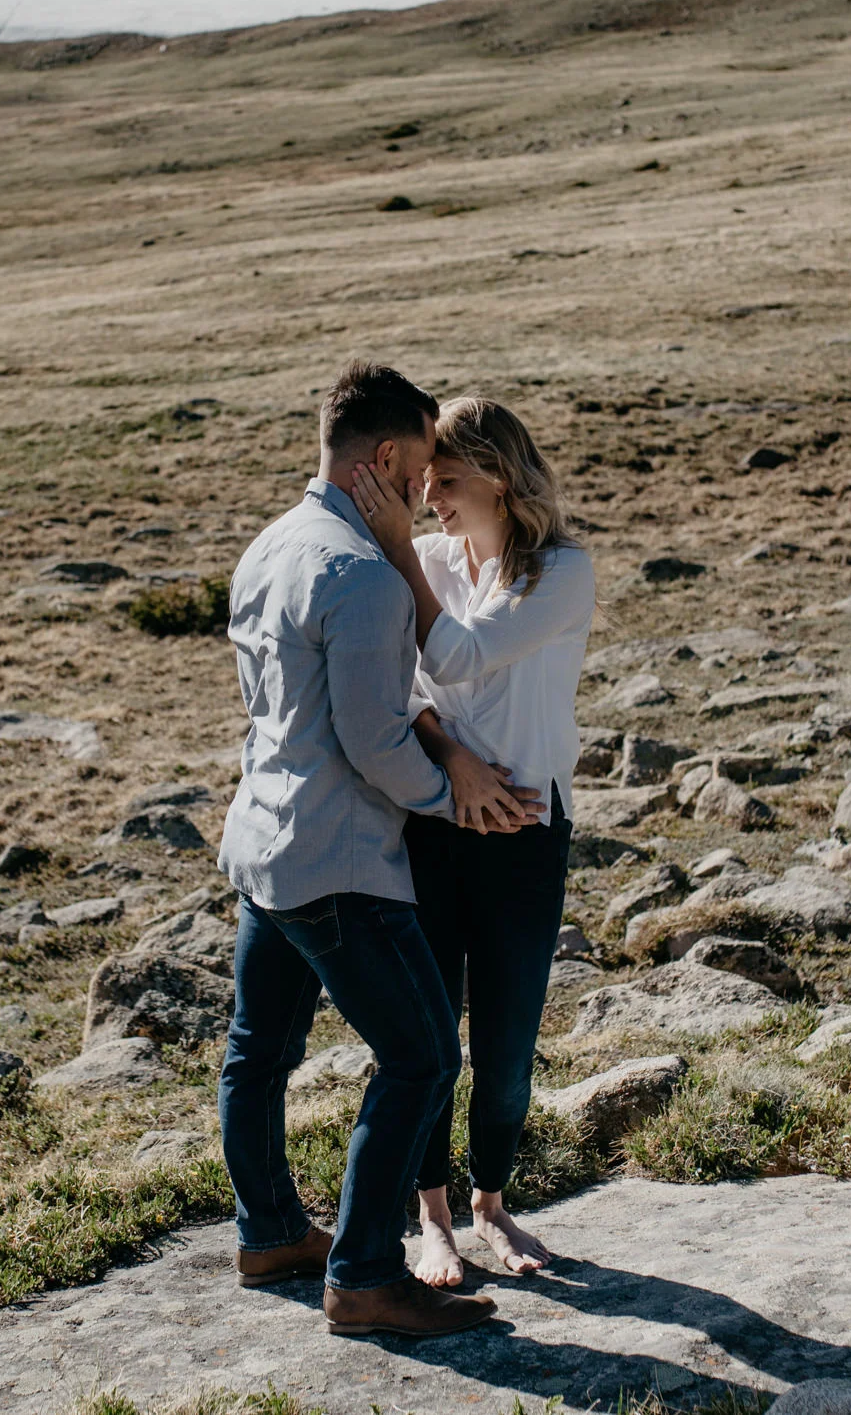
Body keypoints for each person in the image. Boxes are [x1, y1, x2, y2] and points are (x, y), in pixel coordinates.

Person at [216, 360, 541, 1339]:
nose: (424, 486)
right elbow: (373, 740)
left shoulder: (270, 544)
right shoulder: (360, 572)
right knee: (423, 1056)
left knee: (256, 1054)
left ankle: (271, 1232)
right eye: (420, 465)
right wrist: (459, 796)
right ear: (389, 456)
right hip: (338, 859)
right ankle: (362, 1276)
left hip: (263, 844)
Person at [349, 396, 594, 1289]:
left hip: (527, 831)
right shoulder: (430, 560)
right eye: (426, 483)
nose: (431, 500)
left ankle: (492, 1203)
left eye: (447, 482)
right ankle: (434, 1218)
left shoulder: (562, 572)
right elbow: (404, 683)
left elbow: (452, 656)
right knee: (426, 1035)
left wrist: (396, 552)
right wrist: (455, 762)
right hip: (435, 822)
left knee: (507, 1040)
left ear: (499, 478)